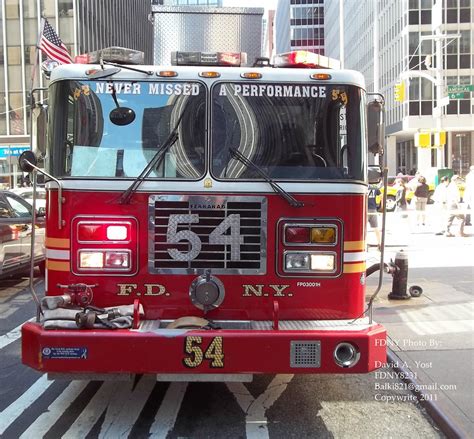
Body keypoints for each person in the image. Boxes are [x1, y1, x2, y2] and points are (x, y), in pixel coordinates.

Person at [367, 183, 381, 249]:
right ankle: (379, 243)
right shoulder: (375, 187)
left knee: (363, 228)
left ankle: (365, 243)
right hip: (373, 209)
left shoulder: (364, 186)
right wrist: (380, 205)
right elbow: (381, 195)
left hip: (365, 209)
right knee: (376, 228)